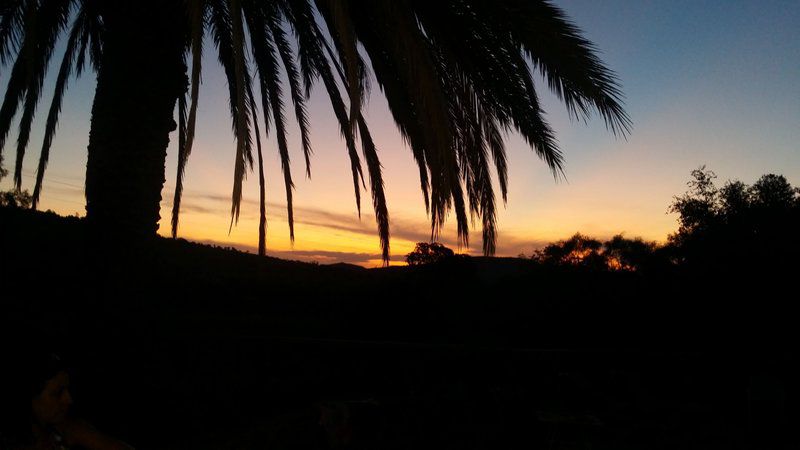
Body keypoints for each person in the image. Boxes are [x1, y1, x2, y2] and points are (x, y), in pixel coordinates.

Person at [0, 352, 135, 450]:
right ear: (30, 398)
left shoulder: (67, 430)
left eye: (67, 391)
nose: (69, 400)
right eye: (57, 393)